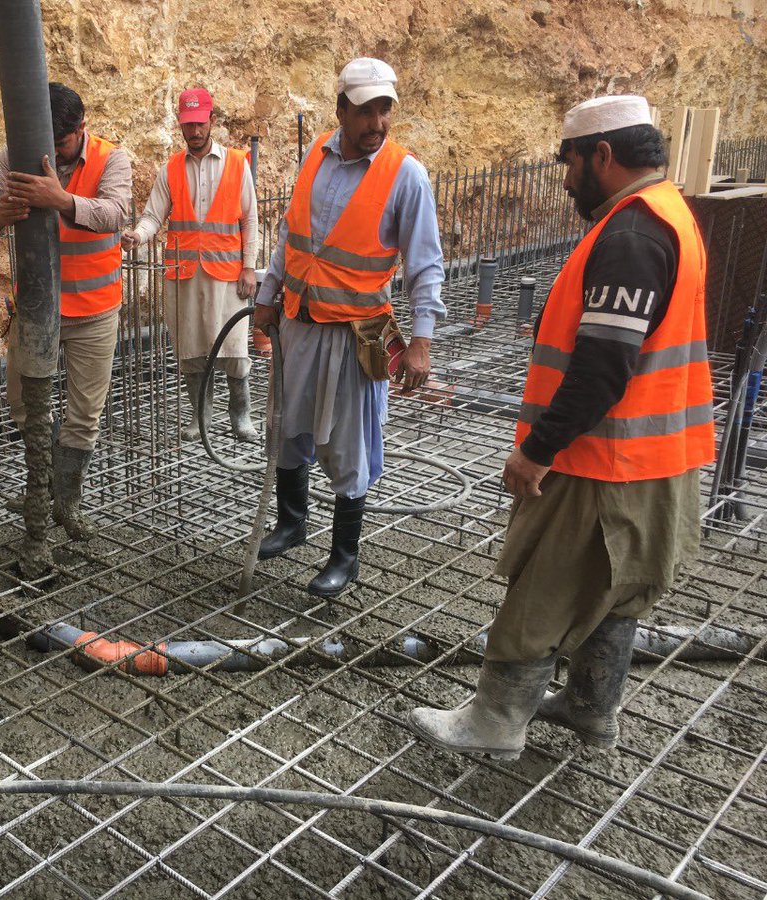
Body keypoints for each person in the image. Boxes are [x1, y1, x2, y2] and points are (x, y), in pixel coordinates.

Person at [410, 95, 714, 760]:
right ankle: (590, 710)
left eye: (569, 162)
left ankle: (496, 724)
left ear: (602, 155)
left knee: (544, 588)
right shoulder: (668, 213)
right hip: (655, 460)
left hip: (600, 461)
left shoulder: (632, 238)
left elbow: (602, 367)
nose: (566, 178)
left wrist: (537, 449)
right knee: (615, 590)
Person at [253, 58, 446, 597]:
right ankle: (292, 523)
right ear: (341, 110)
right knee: (287, 427)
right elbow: (291, 238)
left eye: (385, 110)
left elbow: (426, 264)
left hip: (356, 334)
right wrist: (268, 296)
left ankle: (345, 557)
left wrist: (422, 342)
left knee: (349, 444)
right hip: (300, 322)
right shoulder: (316, 154)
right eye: (365, 111)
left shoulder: (405, 175)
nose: (377, 123)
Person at [0, 82, 133, 540]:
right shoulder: (17, 155)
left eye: (61, 143)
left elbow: (115, 214)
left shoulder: (111, 159)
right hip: (37, 308)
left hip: (95, 311)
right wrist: (0, 215)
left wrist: (59, 199)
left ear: (82, 129)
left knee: (84, 414)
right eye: (48, 141)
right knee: (23, 403)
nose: (54, 152)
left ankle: (66, 500)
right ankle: (44, 487)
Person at [122, 87, 259, 442]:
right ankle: (201, 418)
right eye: (188, 125)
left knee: (233, 347)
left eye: (200, 123)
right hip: (184, 276)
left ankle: (240, 414)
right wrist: (138, 235)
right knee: (192, 350)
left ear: (211, 121)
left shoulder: (236, 164)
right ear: (181, 125)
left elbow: (249, 219)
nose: (195, 131)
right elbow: (153, 216)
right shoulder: (171, 169)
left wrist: (249, 266)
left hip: (227, 275)